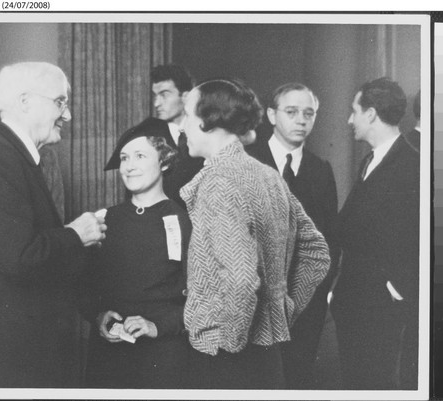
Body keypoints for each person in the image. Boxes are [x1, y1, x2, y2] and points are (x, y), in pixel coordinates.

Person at [0, 62, 107, 388]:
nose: (67, 115)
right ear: (25, 102)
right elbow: (20, 256)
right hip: (8, 363)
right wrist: (76, 234)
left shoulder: (10, 157)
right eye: (60, 102)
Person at [180, 78, 331, 389]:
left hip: (225, 356)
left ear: (209, 121)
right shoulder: (268, 175)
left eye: (186, 115)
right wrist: (280, 308)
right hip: (268, 354)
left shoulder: (219, 182)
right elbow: (317, 253)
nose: (182, 127)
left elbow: (240, 278)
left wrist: (231, 342)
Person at [81, 117, 192, 388]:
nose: (129, 167)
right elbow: (82, 284)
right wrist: (97, 315)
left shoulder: (183, 221)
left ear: (164, 161)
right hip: (107, 356)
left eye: (140, 156)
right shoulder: (104, 220)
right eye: (124, 158)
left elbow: (201, 297)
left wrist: (157, 326)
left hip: (162, 356)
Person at [246, 82, 339, 389]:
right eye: (292, 112)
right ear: (271, 115)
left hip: (304, 308)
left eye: (309, 113)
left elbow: (328, 242)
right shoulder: (248, 161)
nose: (301, 120)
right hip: (253, 302)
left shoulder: (321, 169)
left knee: (297, 382)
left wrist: (309, 298)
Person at [331, 77, 420, 390]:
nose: (349, 120)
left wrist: (395, 288)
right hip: (356, 302)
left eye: (355, 111)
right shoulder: (371, 159)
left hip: (379, 309)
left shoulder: (412, 164)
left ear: (370, 114)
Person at [151, 64, 204, 208]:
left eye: (164, 95)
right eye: (155, 96)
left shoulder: (206, 134)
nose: (156, 103)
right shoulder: (148, 139)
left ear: (186, 96)